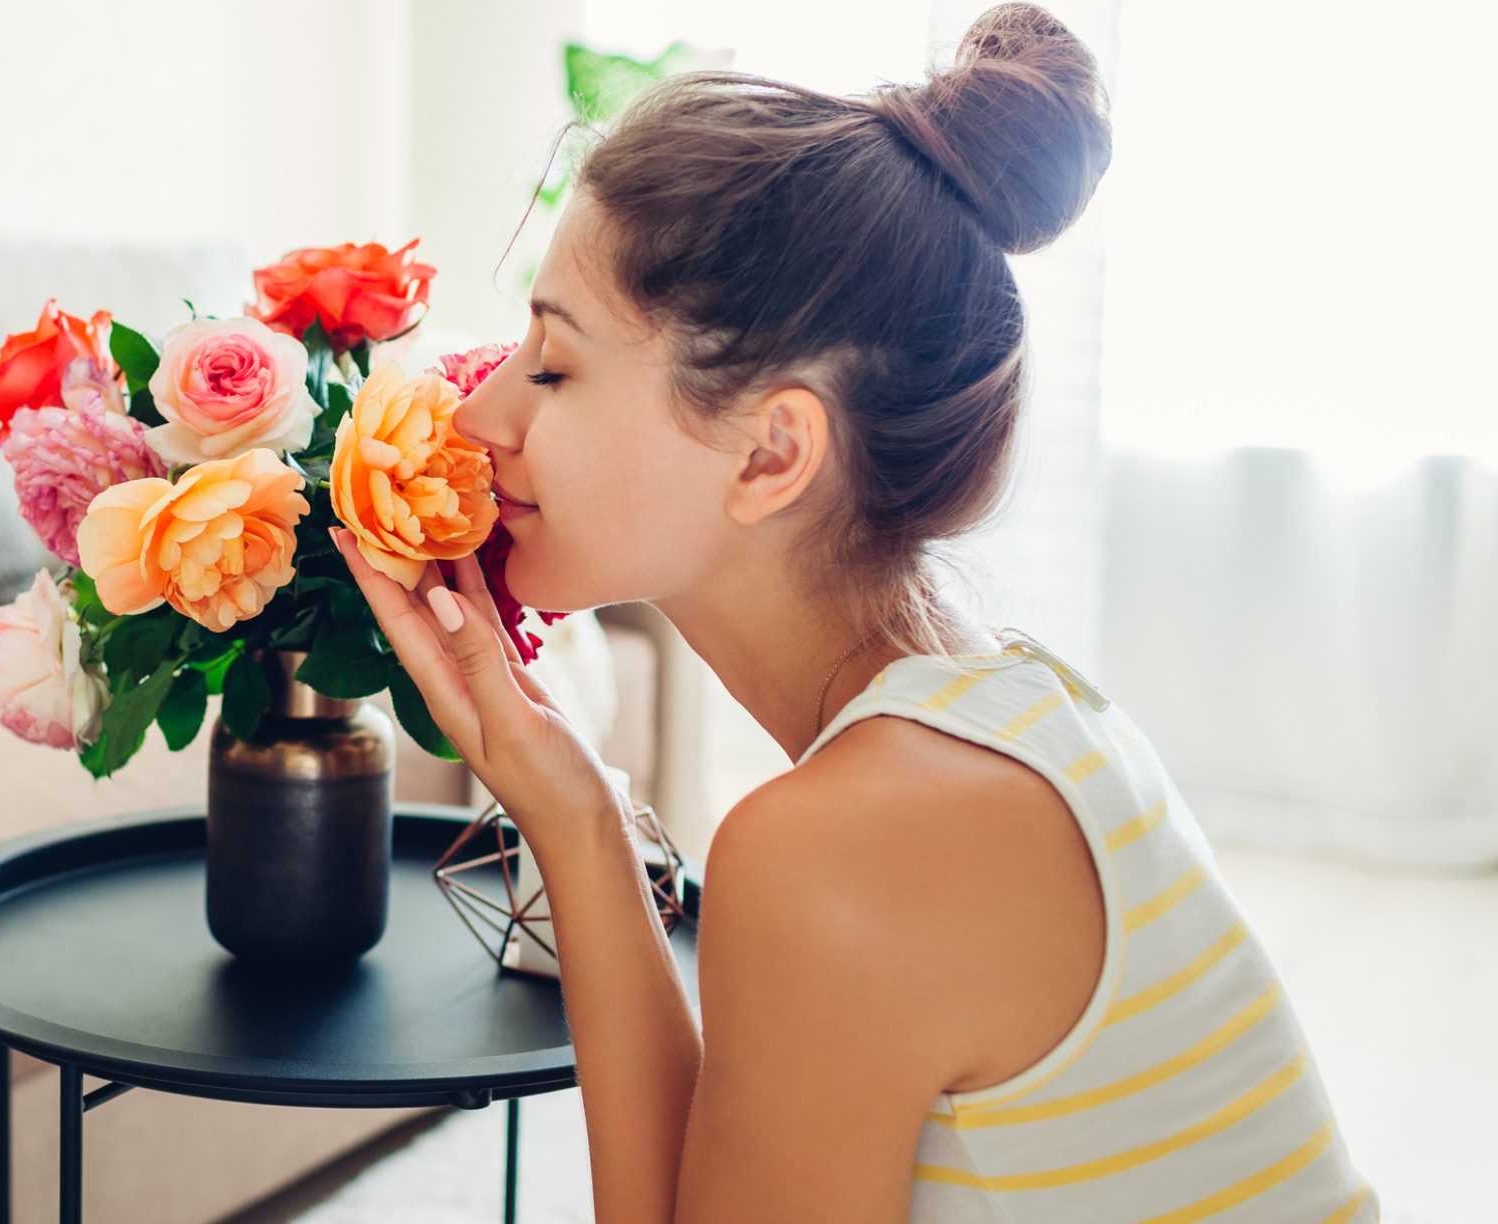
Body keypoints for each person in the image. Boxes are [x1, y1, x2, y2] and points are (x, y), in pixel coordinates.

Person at [331, 5, 1375, 1220]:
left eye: (553, 367)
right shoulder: (1020, 705)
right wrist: (574, 811)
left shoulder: (842, 849)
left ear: (772, 452)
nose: (476, 419)